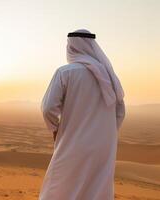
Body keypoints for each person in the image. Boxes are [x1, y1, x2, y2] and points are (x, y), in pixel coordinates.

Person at [39, 29, 125, 200]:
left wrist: (55, 129)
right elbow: (120, 112)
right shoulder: (110, 77)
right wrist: (106, 132)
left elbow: (48, 108)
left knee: (61, 185)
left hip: (73, 141)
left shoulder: (65, 72)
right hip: (104, 146)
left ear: (71, 47)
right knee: (98, 187)